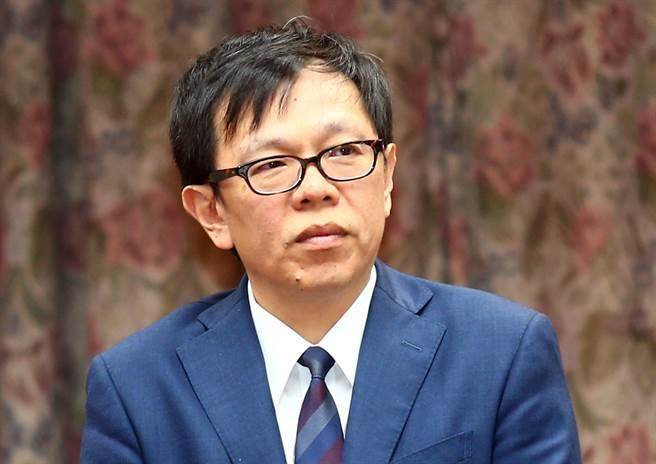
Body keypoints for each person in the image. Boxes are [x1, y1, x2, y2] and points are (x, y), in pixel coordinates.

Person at [80, 18, 582, 464]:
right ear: (212, 212)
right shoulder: (138, 389)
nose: (316, 189)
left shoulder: (501, 353)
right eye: (271, 164)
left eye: (343, 151)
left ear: (387, 177)